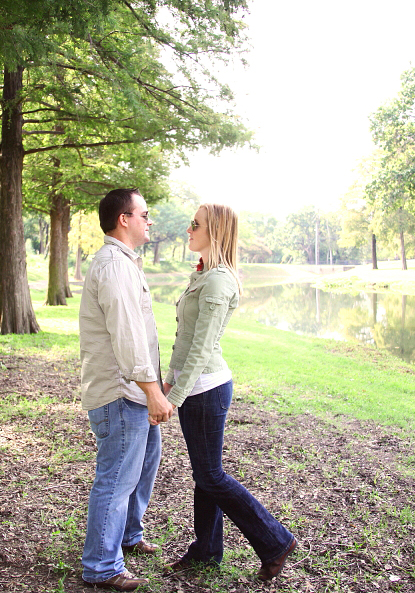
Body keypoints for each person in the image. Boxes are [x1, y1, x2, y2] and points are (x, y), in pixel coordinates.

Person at [163, 203, 297, 582]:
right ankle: (206, 551)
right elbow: (185, 338)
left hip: (206, 389)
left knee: (211, 475)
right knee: (204, 475)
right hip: (194, 387)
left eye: (195, 224)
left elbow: (203, 347)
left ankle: (275, 540)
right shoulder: (205, 275)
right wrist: (171, 381)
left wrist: (173, 397)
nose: (188, 230)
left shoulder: (219, 280)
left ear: (215, 231)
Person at [79, 188, 174, 592]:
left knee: (146, 462)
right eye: (144, 214)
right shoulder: (114, 267)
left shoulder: (125, 263)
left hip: (134, 390)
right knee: (116, 477)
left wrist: (155, 385)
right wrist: (152, 391)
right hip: (120, 394)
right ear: (124, 219)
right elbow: (127, 337)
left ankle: (127, 535)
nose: (149, 220)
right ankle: (101, 565)